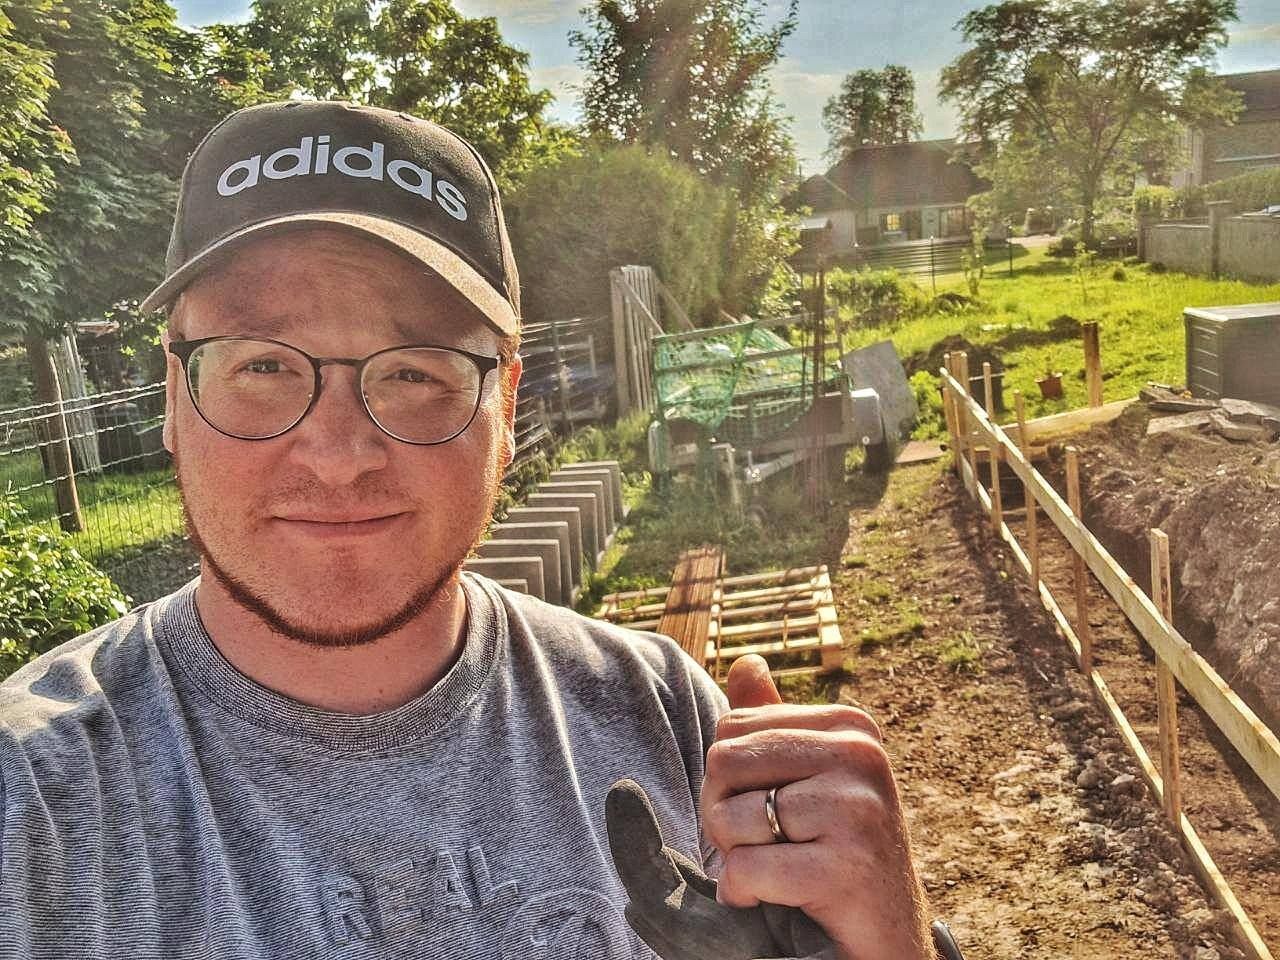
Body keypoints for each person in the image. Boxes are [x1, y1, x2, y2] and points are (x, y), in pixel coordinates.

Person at [0, 101, 953, 960]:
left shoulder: (658, 711)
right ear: (174, 395)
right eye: (260, 366)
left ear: (507, 408)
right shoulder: (31, 804)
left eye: (415, 373)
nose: (338, 455)